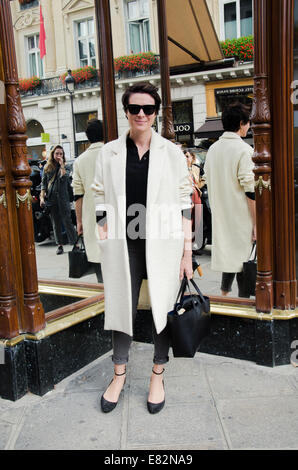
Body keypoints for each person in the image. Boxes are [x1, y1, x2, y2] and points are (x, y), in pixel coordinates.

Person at [92, 82, 193, 414]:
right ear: (125, 112)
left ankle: (157, 374)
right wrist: (103, 231)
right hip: (125, 246)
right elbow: (99, 195)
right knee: (122, 309)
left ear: (155, 113)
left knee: (163, 309)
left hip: (163, 243)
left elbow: (184, 203)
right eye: (135, 108)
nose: (141, 114)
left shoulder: (172, 153)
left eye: (148, 109)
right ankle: (118, 375)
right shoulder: (108, 152)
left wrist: (186, 253)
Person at [204, 102, 256, 297]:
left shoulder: (213, 150)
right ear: (241, 123)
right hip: (242, 217)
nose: (249, 127)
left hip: (221, 214)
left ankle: (224, 296)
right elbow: (250, 191)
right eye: (248, 123)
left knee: (230, 258)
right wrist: (256, 223)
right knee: (245, 262)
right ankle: (242, 309)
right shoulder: (244, 150)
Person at [72, 119, 104, 282]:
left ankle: (104, 301)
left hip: (92, 220)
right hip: (115, 219)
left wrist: (79, 222)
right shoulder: (113, 154)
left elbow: (78, 195)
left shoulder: (80, 161)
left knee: (101, 271)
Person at [40, 145, 77, 255]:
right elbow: (43, 185)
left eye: (61, 154)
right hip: (52, 199)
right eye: (57, 153)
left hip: (63, 198)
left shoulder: (67, 167)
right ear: (53, 154)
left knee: (67, 221)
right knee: (55, 223)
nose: (59, 156)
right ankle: (59, 245)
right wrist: (42, 198)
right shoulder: (47, 167)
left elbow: (64, 179)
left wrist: (62, 166)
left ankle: (75, 244)